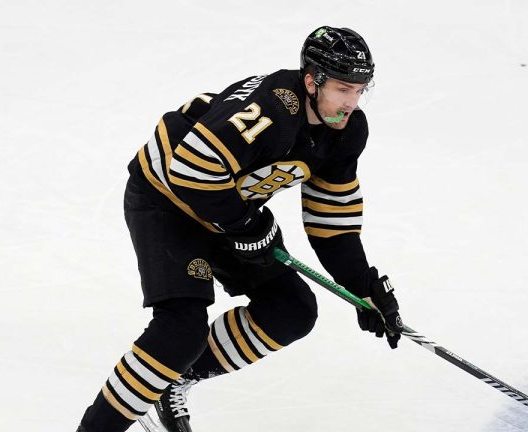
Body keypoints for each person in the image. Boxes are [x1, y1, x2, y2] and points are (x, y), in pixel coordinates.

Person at [76, 26, 405, 432]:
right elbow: (191, 167)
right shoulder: (271, 107)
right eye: (341, 89)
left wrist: (362, 287)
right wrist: (245, 226)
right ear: (310, 81)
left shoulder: (346, 132)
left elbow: (331, 218)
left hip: (227, 211)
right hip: (167, 202)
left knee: (292, 311)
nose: (351, 103)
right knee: (180, 330)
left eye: (359, 90)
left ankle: (169, 380)